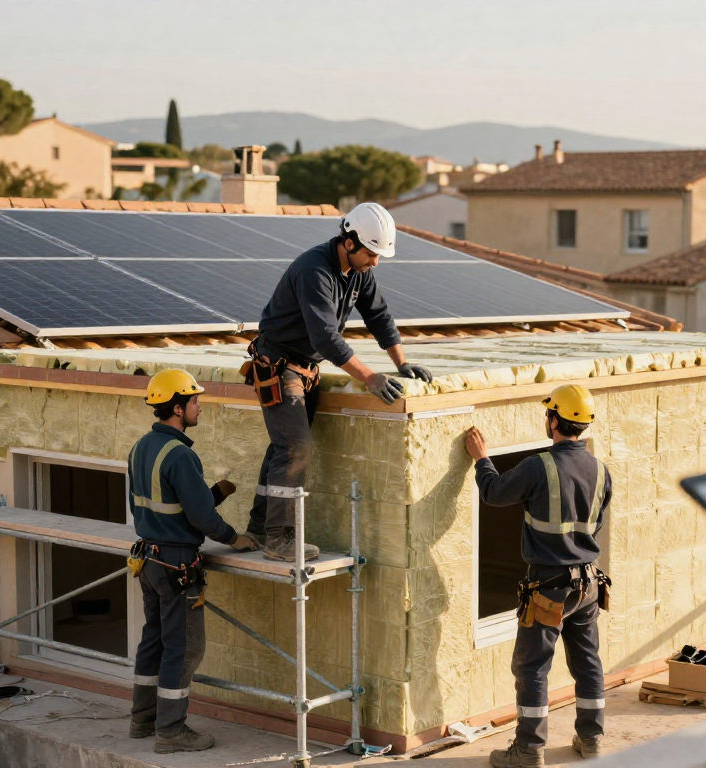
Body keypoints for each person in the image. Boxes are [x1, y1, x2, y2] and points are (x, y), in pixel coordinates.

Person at [244, 202, 433, 562]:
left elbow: (379, 316)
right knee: (295, 449)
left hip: (305, 370)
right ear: (349, 242)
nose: (375, 262)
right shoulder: (314, 270)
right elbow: (326, 339)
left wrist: (402, 363)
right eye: (371, 253)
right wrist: (370, 377)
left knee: (282, 449)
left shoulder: (359, 271)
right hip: (280, 367)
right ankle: (279, 539)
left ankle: (257, 529)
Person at [465, 384, 613, 768]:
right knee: (588, 662)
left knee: (531, 667)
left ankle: (529, 749)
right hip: (589, 584)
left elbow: (494, 493)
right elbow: (593, 524)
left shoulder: (539, 467)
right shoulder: (600, 470)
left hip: (549, 586)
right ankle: (592, 739)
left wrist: (482, 458)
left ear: (552, 420)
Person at [128, 369, 258, 754]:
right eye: (196, 401)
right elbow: (199, 519)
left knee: (154, 640)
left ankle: (143, 721)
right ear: (178, 408)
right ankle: (171, 732)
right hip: (176, 565)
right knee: (184, 648)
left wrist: (212, 493)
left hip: (149, 561)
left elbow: (167, 505)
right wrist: (235, 539)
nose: (200, 406)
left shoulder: (141, 447)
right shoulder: (181, 454)